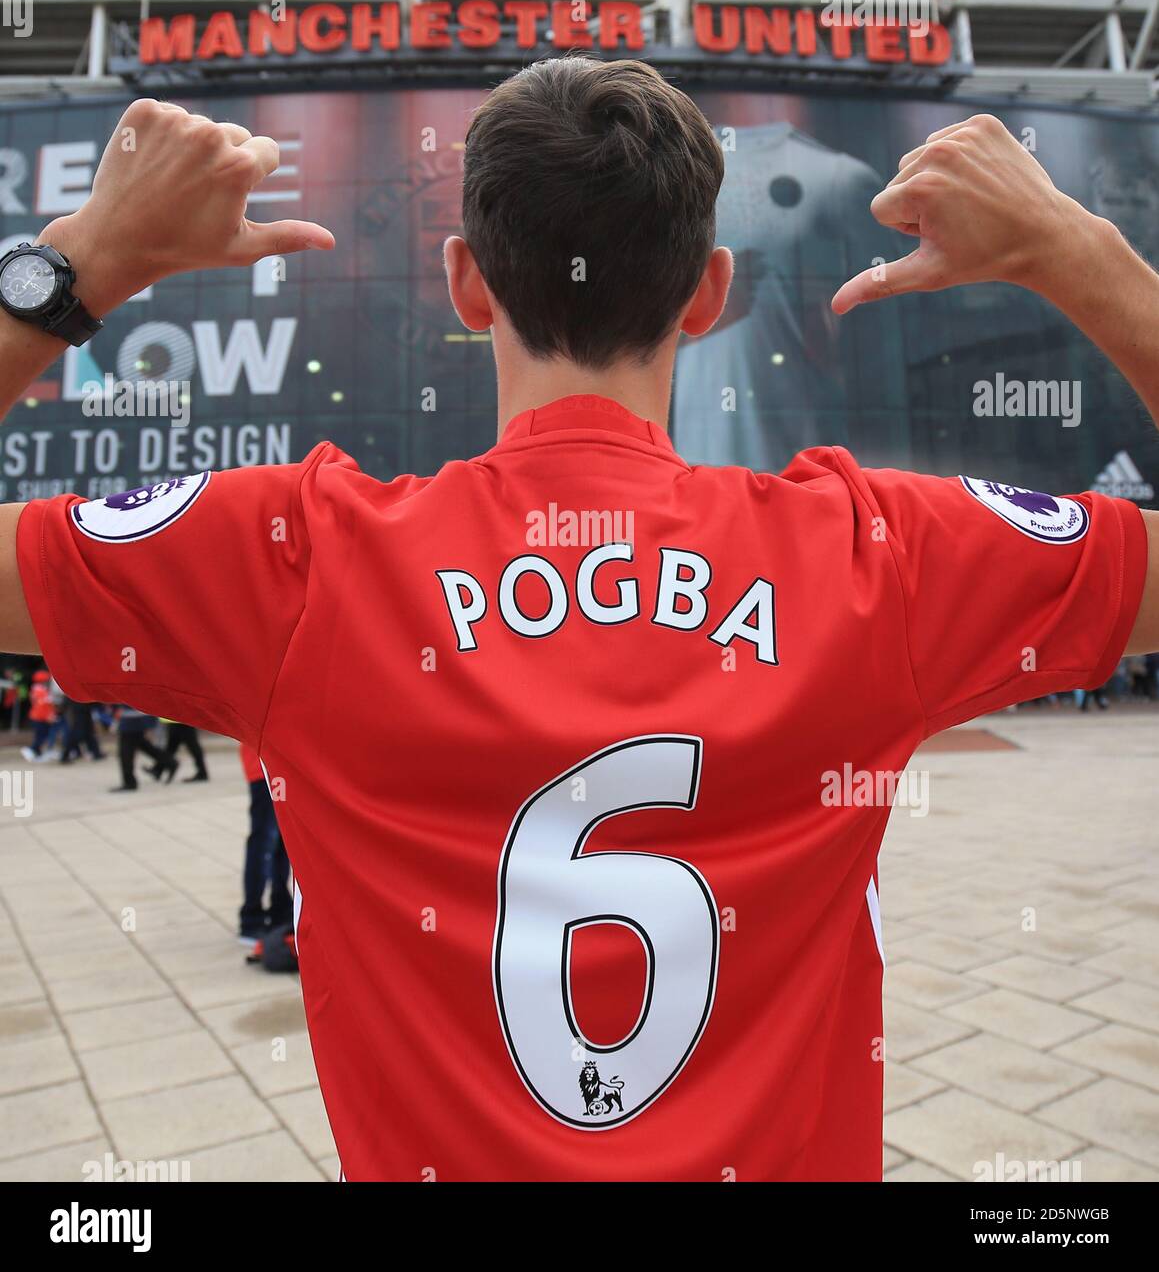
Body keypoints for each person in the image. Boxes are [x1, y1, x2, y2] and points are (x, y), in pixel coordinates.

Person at [0, 67, 1155, 1181]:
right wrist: (1082, 259)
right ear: (709, 293)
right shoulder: (870, 558)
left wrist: (80, 265)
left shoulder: (303, 562)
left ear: (464, 284)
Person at [238, 744, 292, 945]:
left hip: (280, 768)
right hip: (265, 770)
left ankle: (280, 908)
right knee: (264, 842)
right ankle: (252, 917)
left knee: (282, 841)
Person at [111, 705, 174, 793]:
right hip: (134, 721)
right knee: (145, 747)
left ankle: (129, 782)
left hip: (130, 722)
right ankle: (170, 762)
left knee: (126, 754)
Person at [21, 669, 59, 762]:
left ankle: (37, 752)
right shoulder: (39, 690)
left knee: (42, 735)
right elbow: (43, 706)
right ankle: (33, 750)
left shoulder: (38, 689)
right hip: (39, 717)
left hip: (39, 716)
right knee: (41, 736)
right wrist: (49, 716)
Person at [158, 718, 209, 782]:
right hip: (177, 717)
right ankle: (159, 768)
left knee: (192, 745)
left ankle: (202, 772)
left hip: (182, 717)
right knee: (173, 744)